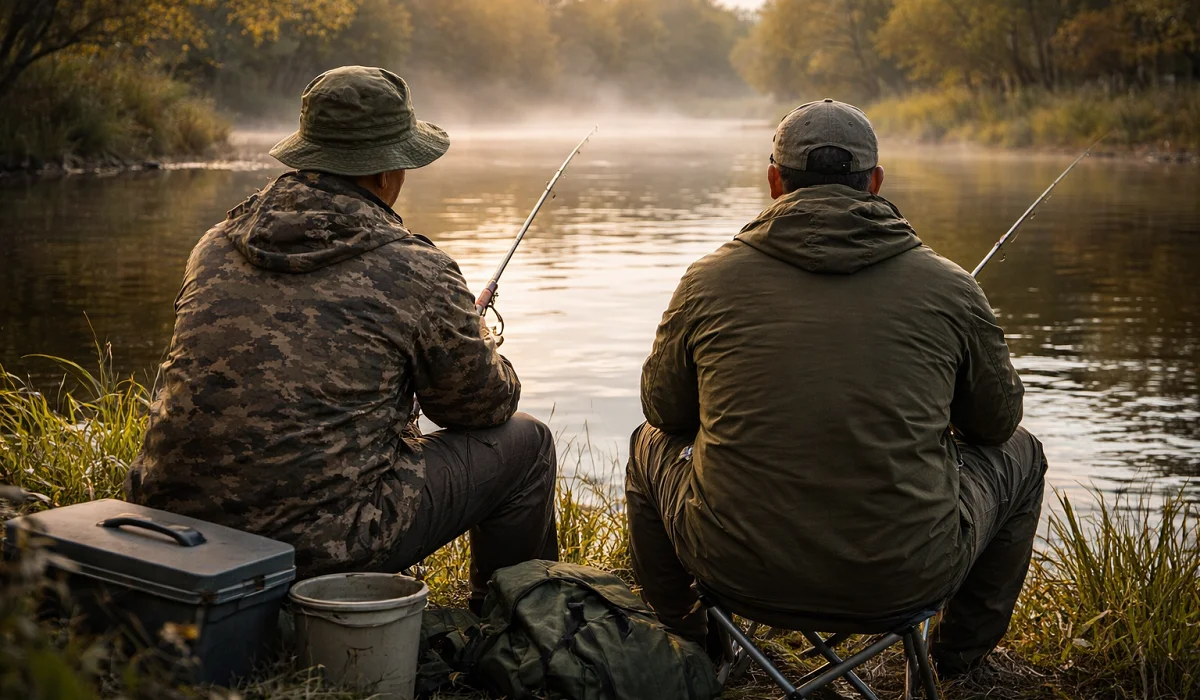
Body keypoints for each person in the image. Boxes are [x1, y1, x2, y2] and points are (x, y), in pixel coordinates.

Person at [626, 99, 1047, 675]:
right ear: (875, 182)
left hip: (734, 571)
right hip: (905, 579)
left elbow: (663, 411)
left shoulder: (707, 280)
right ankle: (954, 662)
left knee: (646, 443)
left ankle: (693, 647)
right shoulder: (951, 286)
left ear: (775, 182)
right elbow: (995, 426)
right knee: (1023, 452)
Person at [126, 66, 558, 609]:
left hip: (172, 526)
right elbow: (482, 406)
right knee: (528, 443)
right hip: (318, 548)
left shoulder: (213, 245)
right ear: (384, 171)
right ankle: (509, 624)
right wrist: (477, 337)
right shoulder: (417, 269)